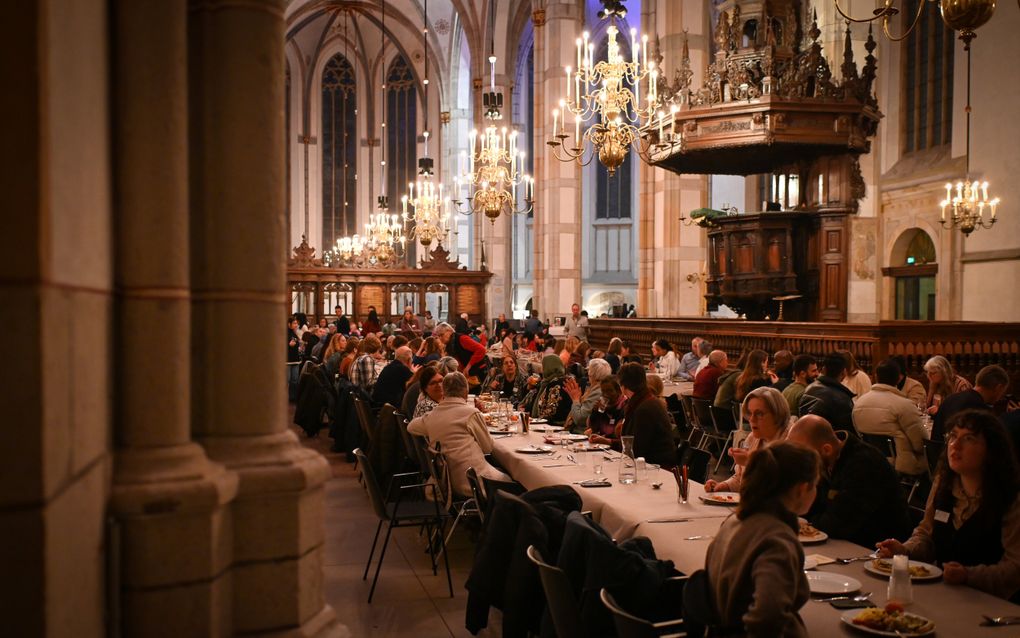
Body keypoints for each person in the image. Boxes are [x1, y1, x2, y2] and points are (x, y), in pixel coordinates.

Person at [877, 410, 1020, 601]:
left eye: (969, 439)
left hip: (993, 604)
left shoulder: (1011, 496)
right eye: (953, 436)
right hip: (943, 594)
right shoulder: (943, 484)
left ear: (992, 450)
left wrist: (968, 575)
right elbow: (927, 534)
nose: (955, 445)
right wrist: (905, 550)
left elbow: (1015, 567)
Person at [704, 442, 819, 638]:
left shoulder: (734, 521)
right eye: (815, 485)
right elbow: (767, 618)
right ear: (802, 489)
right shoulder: (777, 541)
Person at [787, 415, 912, 548]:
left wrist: (809, 522)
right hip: (842, 545)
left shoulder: (864, 464)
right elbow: (807, 508)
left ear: (827, 449)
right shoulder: (826, 460)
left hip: (878, 551)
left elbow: (838, 525)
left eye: (805, 455)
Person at [407, 372, 512, 497]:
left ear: (444, 392)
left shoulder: (432, 416)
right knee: (516, 480)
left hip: (448, 483)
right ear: (465, 391)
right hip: (475, 482)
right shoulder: (471, 413)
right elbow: (487, 448)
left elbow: (410, 427)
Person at [706, 387, 791, 493]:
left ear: (778, 414)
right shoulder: (752, 438)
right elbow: (739, 478)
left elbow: (783, 486)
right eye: (750, 413)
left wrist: (752, 462)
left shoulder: (791, 441)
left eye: (759, 414)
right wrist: (723, 486)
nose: (752, 419)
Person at [852, 359, 928, 476]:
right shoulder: (904, 405)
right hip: (901, 465)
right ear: (898, 378)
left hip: (870, 461)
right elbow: (921, 444)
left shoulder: (859, 403)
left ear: (876, 377)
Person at [617, 362, 678, 467]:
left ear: (623, 387)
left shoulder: (644, 408)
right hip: (651, 462)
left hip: (655, 467)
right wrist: (608, 442)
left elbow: (635, 449)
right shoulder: (645, 400)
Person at [932, 365, 1010, 442]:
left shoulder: (950, 399)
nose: (1000, 397)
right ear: (998, 388)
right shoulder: (981, 410)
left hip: (938, 452)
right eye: (1003, 392)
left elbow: (935, 437)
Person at [798, 352, 857, 434]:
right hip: (827, 443)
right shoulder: (843, 399)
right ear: (844, 372)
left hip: (805, 437)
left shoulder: (809, 388)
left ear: (824, 370)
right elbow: (847, 433)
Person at [520, 355, 573, 426]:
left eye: (543, 365)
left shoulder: (558, 384)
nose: (541, 369)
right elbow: (531, 403)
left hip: (554, 426)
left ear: (548, 367)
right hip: (542, 423)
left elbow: (552, 411)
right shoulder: (545, 383)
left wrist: (534, 420)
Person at [564, 358, 611, 433]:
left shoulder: (598, 391)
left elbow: (580, 419)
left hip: (582, 434)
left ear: (592, 374)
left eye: (588, 373)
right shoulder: (594, 388)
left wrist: (575, 400)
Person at [586, 376, 627, 446]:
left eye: (610, 391)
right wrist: (595, 412)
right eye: (603, 391)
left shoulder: (624, 406)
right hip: (602, 446)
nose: (606, 394)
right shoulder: (603, 406)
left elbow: (619, 435)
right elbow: (593, 428)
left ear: (618, 391)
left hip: (617, 447)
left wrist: (605, 439)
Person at [286, 316, 302, 402]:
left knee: (295, 380)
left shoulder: (294, 333)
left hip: (295, 359)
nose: (296, 325)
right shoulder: (286, 333)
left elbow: (296, 344)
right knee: (287, 380)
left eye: (297, 323)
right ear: (289, 324)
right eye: (294, 323)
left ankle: (292, 397)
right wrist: (289, 345)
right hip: (287, 360)